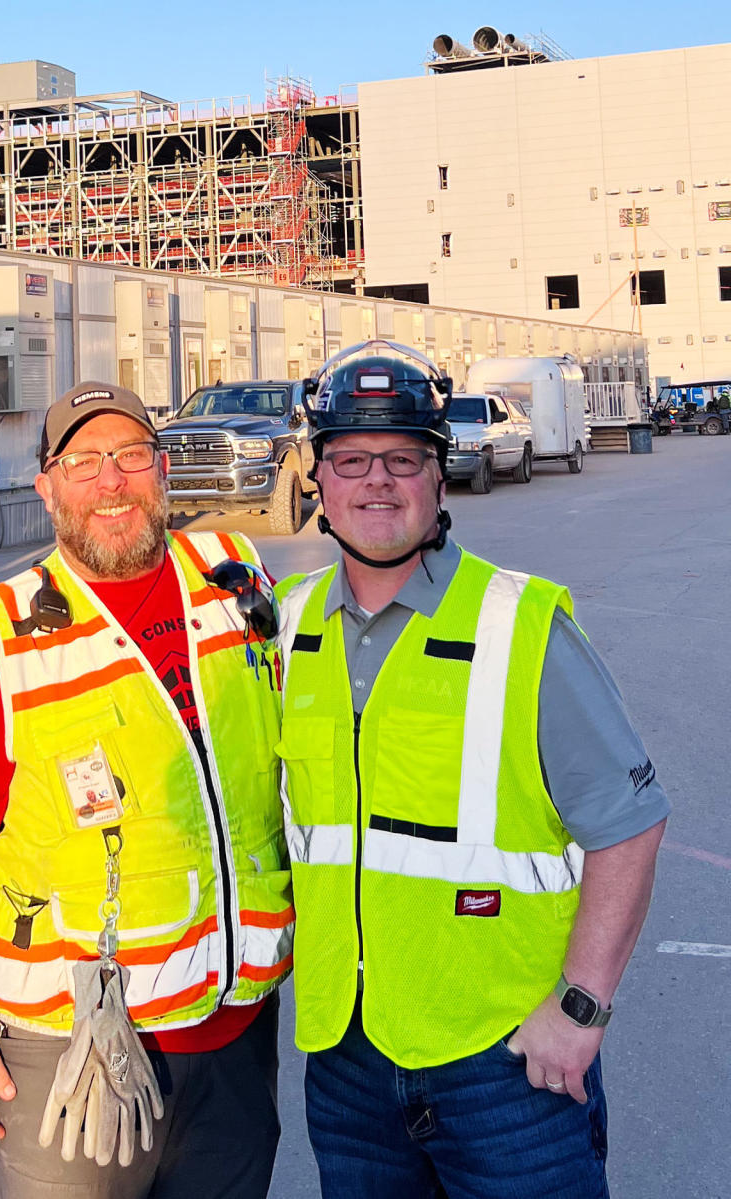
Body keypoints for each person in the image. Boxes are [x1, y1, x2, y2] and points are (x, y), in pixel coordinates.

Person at [274, 343, 670, 1199]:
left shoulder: (522, 624)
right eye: (350, 459)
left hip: (506, 1067)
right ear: (319, 480)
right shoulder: (288, 624)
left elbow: (630, 824)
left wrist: (580, 1010)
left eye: (404, 460)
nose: (377, 481)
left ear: (439, 478)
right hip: (347, 1062)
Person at [0, 380, 292, 1199]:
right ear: (46, 486)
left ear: (162, 468)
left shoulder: (234, 580)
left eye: (127, 456)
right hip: (67, 1052)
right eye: (82, 461)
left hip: (234, 1037)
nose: (109, 481)